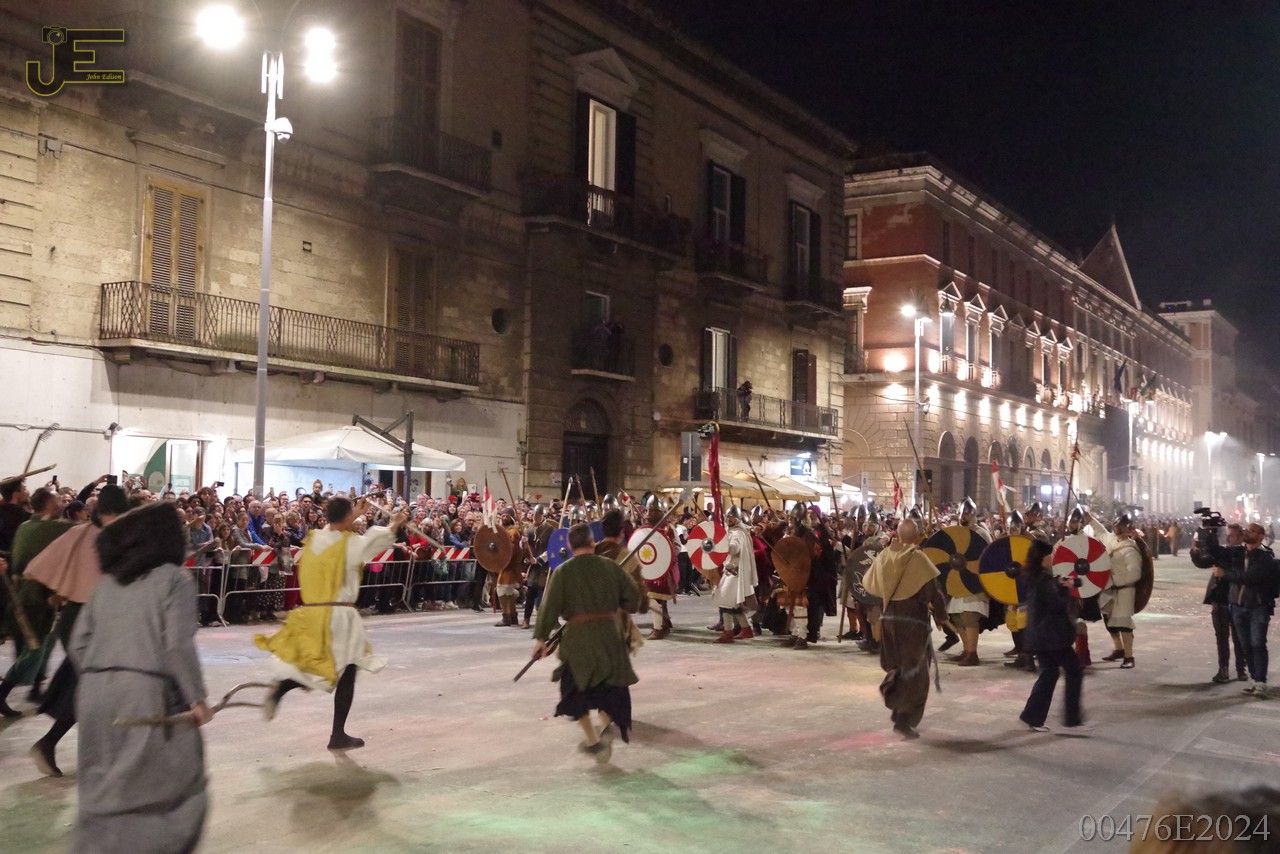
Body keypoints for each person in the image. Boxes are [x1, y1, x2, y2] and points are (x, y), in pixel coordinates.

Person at [71, 501, 210, 854]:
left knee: (102, 786)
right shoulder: (175, 579)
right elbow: (177, 644)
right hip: (144, 693)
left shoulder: (106, 585)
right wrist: (197, 698)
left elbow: (78, 643)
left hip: (92, 691)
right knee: (164, 786)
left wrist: (104, 673)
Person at [256, 495, 408, 750]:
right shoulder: (350, 543)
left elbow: (336, 530)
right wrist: (395, 523)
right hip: (339, 615)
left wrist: (353, 514)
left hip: (313, 613)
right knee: (348, 669)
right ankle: (337, 734)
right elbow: (375, 540)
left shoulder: (317, 538)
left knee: (318, 665)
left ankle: (283, 687)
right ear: (347, 517)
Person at [23, 485, 128, 776]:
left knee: (85, 685)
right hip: (83, 619)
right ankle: (62, 745)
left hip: (99, 620)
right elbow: (39, 567)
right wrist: (55, 591)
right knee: (95, 686)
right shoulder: (85, 534)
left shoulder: (104, 535)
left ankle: (52, 744)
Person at [533, 523, 640, 755]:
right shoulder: (611, 567)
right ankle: (605, 725)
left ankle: (592, 739)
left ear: (570, 545)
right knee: (610, 688)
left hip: (578, 639)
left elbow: (549, 608)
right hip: (610, 636)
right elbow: (633, 598)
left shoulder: (563, 572)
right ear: (593, 542)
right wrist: (616, 605)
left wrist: (541, 638)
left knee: (576, 691)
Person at [862, 518, 947, 740]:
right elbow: (933, 591)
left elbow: (870, 584)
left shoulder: (885, 555)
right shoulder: (918, 558)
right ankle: (903, 717)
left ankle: (894, 692)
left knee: (898, 665)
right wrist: (941, 615)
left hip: (889, 620)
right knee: (915, 672)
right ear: (917, 536)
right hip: (912, 623)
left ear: (898, 535)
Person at [1017, 539, 1089, 735]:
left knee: (1049, 674)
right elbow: (1057, 605)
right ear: (1043, 557)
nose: (1053, 558)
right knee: (1074, 671)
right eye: (1050, 555)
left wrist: (1058, 584)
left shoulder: (1034, 577)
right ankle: (1072, 719)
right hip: (1053, 636)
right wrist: (1066, 589)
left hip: (1040, 636)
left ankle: (1032, 716)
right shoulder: (1045, 580)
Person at [1209, 522, 1277, 697]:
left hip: (1258, 607)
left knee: (1257, 643)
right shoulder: (1238, 553)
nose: (1247, 532)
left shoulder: (1265, 556)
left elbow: (1249, 577)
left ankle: (1260, 681)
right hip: (1238, 607)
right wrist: (1210, 531)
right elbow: (1213, 553)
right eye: (1247, 529)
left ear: (1260, 536)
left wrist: (1225, 574)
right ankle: (1254, 679)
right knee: (1246, 645)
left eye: (1252, 531)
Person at [1191, 523, 1248, 684]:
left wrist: (1211, 538)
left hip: (1237, 599)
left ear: (1241, 537)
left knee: (1239, 636)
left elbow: (1232, 564)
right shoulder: (1223, 551)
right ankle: (1224, 668)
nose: (1228, 538)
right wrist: (1195, 552)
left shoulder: (1244, 553)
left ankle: (1241, 668)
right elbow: (1204, 562)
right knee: (1221, 637)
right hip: (1219, 598)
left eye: (1232, 535)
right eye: (1227, 534)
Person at [1098, 513, 1145, 669]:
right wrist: (1089, 518)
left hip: (1124, 590)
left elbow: (1134, 574)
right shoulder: (1112, 540)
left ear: (1127, 528)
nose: (1117, 528)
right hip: (1109, 589)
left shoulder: (1131, 549)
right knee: (1108, 621)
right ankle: (1118, 649)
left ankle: (1129, 656)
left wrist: (1115, 580)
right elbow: (1100, 531)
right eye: (1116, 525)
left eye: (1121, 526)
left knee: (1123, 623)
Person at [712, 505, 758, 643]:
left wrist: (722, 544)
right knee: (732, 604)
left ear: (737, 519)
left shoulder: (738, 533)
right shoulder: (732, 531)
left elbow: (735, 549)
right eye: (728, 517)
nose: (729, 519)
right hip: (730, 572)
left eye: (732, 517)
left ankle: (728, 633)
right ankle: (746, 629)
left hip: (735, 573)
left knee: (725, 602)